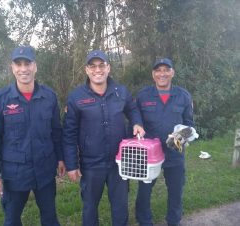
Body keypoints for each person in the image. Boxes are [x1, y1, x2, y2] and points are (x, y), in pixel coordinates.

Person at [0, 46, 66, 226]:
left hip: (44, 170)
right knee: (12, 220)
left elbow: (56, 132)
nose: (23, 69)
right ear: (12, 68)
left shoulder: (49, 97)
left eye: (27, 63)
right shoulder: (0, 99)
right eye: (18, 64)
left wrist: (60, 158)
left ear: (35, 66)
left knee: (50, 218)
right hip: (14, 174)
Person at [63, 50, 145, 226]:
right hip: (91, 164)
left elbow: (133, 109)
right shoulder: (76, 97)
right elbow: (68, 133)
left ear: (108, 68)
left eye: (101, 65)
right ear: (86, 70)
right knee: (90, 207)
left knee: (120, 206)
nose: (97, 70)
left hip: (120, 162)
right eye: (92, 66)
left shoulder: (120, 91)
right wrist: (71, 164)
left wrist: (137, 122)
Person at [135, 58, 195, 226]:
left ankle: (174, 221)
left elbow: (189, 124)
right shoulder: (142, 95)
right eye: (158, 70)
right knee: (144, 191)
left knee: (176, 191)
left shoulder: (184, 96)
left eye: (166, 70)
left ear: (172, 73)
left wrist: (182, 138)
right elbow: (135, 120)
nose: (162, 73)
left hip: (174, 153)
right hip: (148, 155)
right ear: (153, 74)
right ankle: (144, 221)